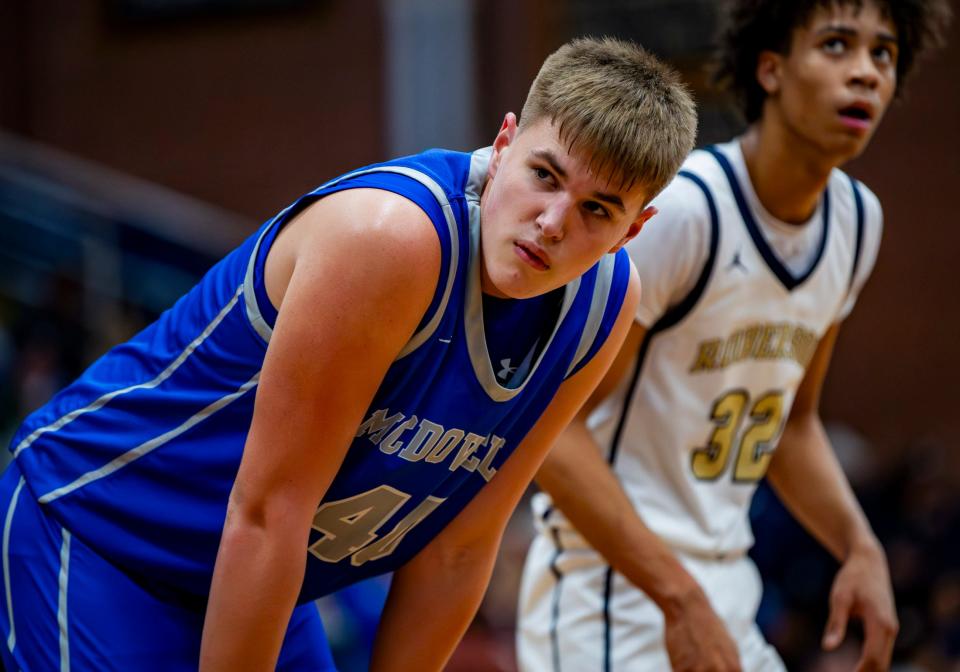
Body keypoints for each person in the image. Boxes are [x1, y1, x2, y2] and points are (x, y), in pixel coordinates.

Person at [0, 37, 697, 672]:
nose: (553, 223)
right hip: (98, 532)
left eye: (597, 211)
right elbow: (268, 511)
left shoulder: (602, 310)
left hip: (258, 570)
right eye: (545, 175)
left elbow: (460, 546)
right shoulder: (389, 241)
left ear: (633, 229)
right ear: (506, 141)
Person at [517, 2, 951, 671]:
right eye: (837, 45)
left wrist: (859, 546)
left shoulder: (855, 222)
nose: (865, 73)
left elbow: (794, 424)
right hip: (609, 594)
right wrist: (678, 597)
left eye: (883, 54)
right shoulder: (686, 212)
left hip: (722, 589)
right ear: (771, 68)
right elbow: (551, 431)